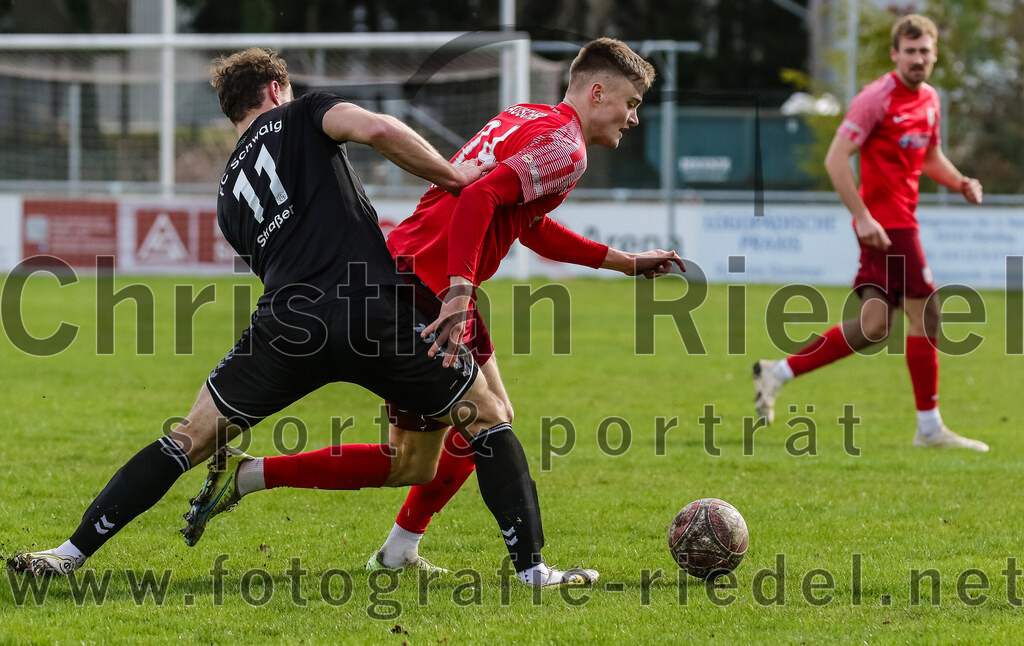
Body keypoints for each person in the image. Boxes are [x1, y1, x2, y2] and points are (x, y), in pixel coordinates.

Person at [9, 47, 598, 588]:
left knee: (188, 438)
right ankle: (532, 571)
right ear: (275, 89)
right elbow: (376, 129)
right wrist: (454, 175)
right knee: (488, 419)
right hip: (369, 308)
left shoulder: (227, 197)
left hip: (288, 325)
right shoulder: (303, 112)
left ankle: (68, 554)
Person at [180, 38, 683, 574]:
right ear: (598, 92)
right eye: (631, 103)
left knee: (432, 451)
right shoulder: (567, 148)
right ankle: (528, 570)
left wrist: (624, 262)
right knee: (469, 431)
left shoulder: (528, 117)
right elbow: (478, 197)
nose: (633, 118)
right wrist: (461, 288)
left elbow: (525, 222)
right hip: (430, 285)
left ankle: (388, 545)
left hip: (414, 270)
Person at [752, 14, 988, 452]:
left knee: (874, 326)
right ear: (895, 54)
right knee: (928, 315)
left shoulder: (930, 99)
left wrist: (960, 183)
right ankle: (929, 428)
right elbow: (836, 159)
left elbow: (930, 157)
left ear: (935, 55)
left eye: (924, 51)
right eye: (910, 51)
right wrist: (862, 216)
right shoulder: (876, 99)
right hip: (887, 225)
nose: (917, 59)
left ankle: (776, 372)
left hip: (896, 224)